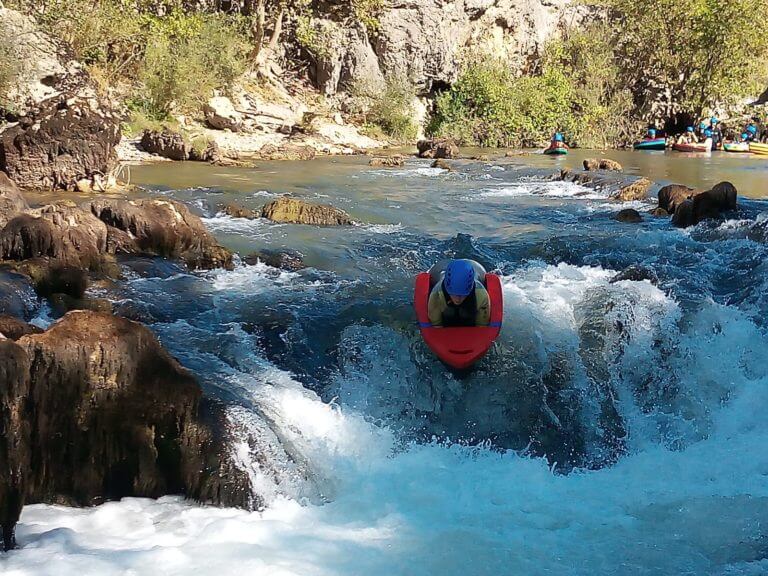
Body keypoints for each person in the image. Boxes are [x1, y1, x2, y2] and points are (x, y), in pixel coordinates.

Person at [428, 259, 490, 327]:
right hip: (440, 267)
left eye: (462, 295)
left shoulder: (481, 295)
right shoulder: (436, 295)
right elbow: (436, 326)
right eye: (454, 294)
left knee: (466, 313)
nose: (458, 299)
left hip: (477, 268)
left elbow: (482, 326)